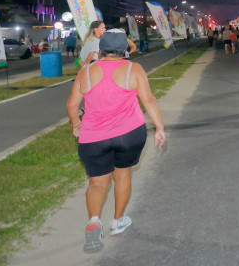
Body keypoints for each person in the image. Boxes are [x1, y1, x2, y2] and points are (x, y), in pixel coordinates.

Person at [65, 29, 166, 254]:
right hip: (129, 134)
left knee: (97, 183)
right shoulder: (134, 68)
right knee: (122, 175)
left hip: (93, 139)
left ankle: (93, 222)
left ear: (100, 50)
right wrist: (159, 127)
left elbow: (72, 105)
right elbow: (148, 99)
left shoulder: (86, 71)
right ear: (124, 50)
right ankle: (118, 221)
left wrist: (75, 124)